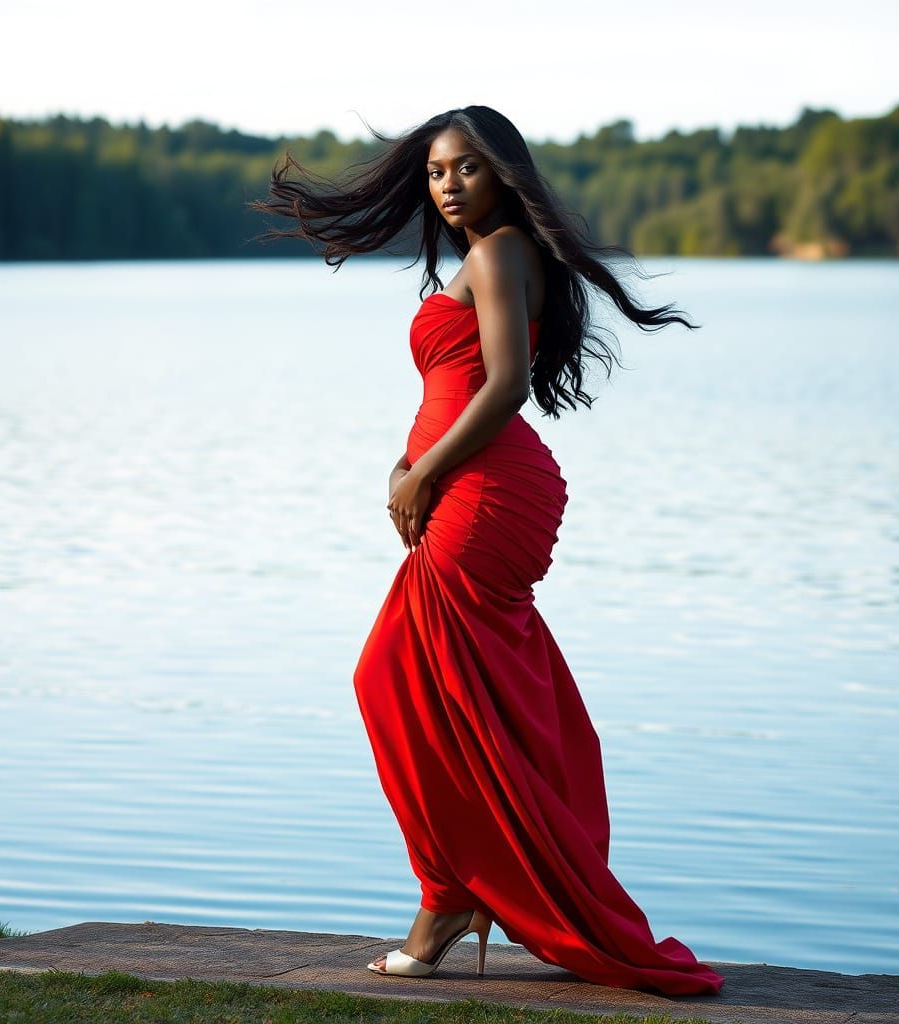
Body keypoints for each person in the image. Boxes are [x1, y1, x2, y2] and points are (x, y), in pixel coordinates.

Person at [247, 105, 725, 997]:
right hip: (466, 483)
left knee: (389, 676)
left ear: (504, 172)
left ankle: (449, 898)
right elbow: (454, 381)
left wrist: (423, 471)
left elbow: (504, 386)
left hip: (487, 492)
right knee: (455, 691)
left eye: (466, 167)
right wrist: (409, 458)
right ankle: (459, 892)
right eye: (435, 172)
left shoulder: (502, 251)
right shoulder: (481, 259)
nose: (448, 184)